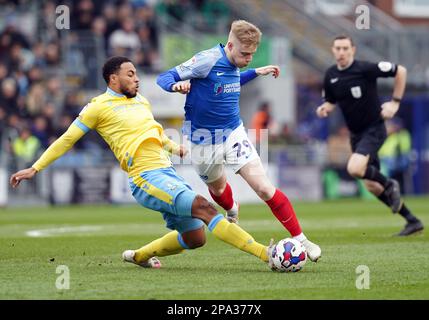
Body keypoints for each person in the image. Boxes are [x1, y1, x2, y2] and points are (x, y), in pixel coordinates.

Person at [10, 56, 279, 270]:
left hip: (166, 172)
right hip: (144, 177)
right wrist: (36, 167)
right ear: (113, 78)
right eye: (131, 74)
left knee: (196, 238)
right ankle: (265, 254)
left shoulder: (141, 101)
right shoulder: (98, 107)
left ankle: (139, 255)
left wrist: (175, 147)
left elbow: (155, 132)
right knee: (204, 206)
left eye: (137, 74)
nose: (137, 79)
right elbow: (67, 139)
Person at [156, 20, 321, 261]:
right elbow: (164, 77)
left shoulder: (235, 62)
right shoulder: (206, 60)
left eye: (252, 55)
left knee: (264, 188)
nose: (248, 59)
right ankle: (232, 207)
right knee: (218, 188)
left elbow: (230, 82)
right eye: (244, 54)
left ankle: (301, 239)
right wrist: (175, 84)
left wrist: (255, 72)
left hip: (233, 133)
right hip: (201, 141)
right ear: (230, 45)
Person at [316, 35, 423, 236]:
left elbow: (401, 71)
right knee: (372, 185)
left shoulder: (365, 69)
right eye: (337, 48)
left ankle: (390, 183)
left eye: (345, 48)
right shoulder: (330, 75)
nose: (341, 52)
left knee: (355, 168)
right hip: (356, 135)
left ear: (353, 50)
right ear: (332, 50)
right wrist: (324, 108)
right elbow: (330, 101)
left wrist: (395, 102)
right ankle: (412, 221)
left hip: (374, 128)